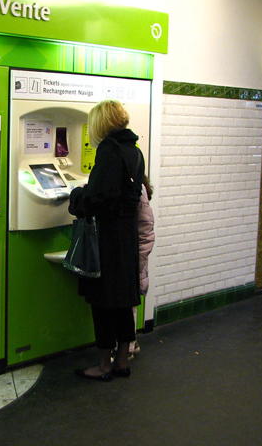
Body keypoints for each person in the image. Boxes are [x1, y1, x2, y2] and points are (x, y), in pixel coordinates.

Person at [68, 99, 145, 381]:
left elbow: (100, 199)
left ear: (101, 123)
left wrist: (76, 196)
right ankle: (122, 361)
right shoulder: (134, 150)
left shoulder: (109, 150)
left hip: (108, 238)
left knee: (102, 303)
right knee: (124, 302)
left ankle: (103, 366)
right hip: (127, 237)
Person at [130, 174, 155, 359]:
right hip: (137, 255)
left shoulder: (137, 189)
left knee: (128, 303)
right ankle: (131, 343)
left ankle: (128, 347)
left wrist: (138, 256)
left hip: (135, 255)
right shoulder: (140, 187)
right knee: (130, 303)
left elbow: (145, 229)